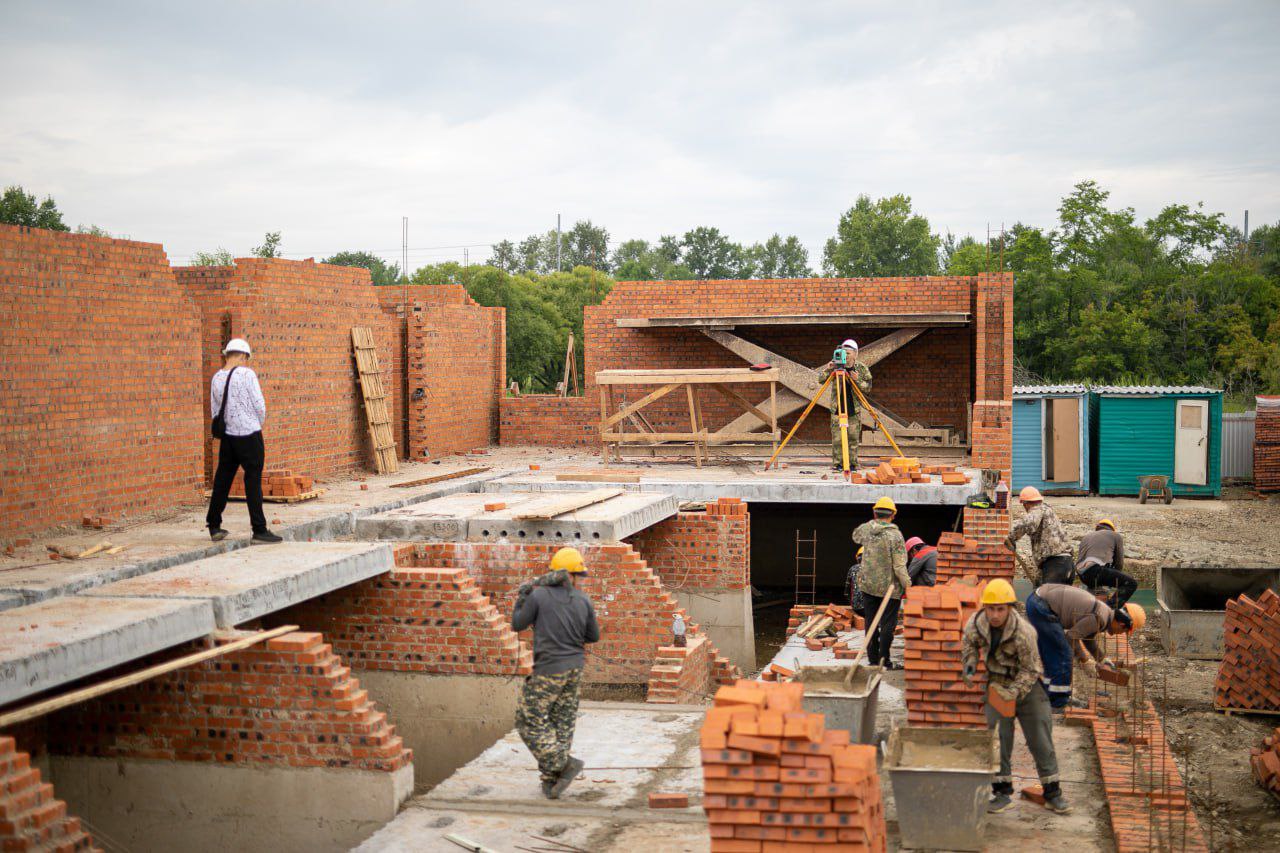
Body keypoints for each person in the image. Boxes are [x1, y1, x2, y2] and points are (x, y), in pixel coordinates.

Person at [962, 579, 1069, 815]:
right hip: (997, 685)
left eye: (1000, 609)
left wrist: (1013, 693)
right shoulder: (977, 624)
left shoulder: (1024, 632)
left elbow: (1030, 670)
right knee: (998, 738)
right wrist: (969, 664)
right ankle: (1002, 792)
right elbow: (969, 644)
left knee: (1040, 737)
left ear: (1009, 607)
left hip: (1028, 688)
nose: (995, 614)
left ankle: (1053, 793)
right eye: (991, 608)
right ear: (985, 607)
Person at [511, 547, 601, 799]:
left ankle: (562, 765)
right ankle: (551, 778)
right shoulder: (583, 600)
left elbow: (517, 623)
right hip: (574, 669)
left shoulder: (538, 596)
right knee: (561, 722)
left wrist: (522, 597)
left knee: (528, 721)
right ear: (570, 576)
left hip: (549, 669)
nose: (580, 580)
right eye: (578, 576)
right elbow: (593, 636)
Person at [206, 338, 281, 544]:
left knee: (223, 478)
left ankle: (214, 525)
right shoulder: (247, 374)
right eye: (246, 358)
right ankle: (259, 529)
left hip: (228, 436)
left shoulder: (216, 378)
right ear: (242, 356)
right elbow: (259, 404)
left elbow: (214, 409)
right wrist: (258, 423)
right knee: (253, 479)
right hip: (249, 434)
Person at [1025, 582, 1146, 710]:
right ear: (1121, 624)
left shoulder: (1104, 613)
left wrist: (1101, 658)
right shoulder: (1099, 617)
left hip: (1038, 601)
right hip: (1042, 605)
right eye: (1124, 631)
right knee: (1064, 653)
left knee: (1053, 653)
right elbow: (1071, 637)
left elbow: (1087, 637)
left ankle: (1049, 694)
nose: (1120, 633)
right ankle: (1059, 702)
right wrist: (1085, 660)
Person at [852, 497, 911, 669]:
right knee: (887, 625)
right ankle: (884, 661)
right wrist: (908, 585)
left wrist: (871, 524)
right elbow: (899, 566)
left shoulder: (868, 530)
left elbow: (855, 535)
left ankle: (872, 659)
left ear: (874, 513)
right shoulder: (895, 536)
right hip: (890, 589)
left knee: (871, 622)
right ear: (893, 514)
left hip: (869, 586)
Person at [817, 339, 872, 470]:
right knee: (837, 439)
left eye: (848, 353)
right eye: (843, 353)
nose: (845, 356)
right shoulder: (835, 366)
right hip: (838, 407)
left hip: (854, 408)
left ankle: (852, 464)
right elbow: (820, 380)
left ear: (855, 354)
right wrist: (828, 369)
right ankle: (838, 464)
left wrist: (857, 379)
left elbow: (868, 388)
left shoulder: (861, 368)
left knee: (853, 438)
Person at [1004, 486, 1073, 585]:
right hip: (1067, 564)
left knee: (1046, 599)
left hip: (1056, 565)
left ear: (1025, 503)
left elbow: (1027, 524)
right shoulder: (1047, 510)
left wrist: (1011, 537)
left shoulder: (1038, 509)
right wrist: (1039, 579)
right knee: (1057, 599)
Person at [1076, 519, 1138, 609]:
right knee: (1130, 583)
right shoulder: (1116, 536)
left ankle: (1092, 608)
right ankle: (1109, 610)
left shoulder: (1086, 537)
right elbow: (1119, 563)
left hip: (1083, 575)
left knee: (1096, 590)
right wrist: (1114, 580)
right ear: (1112, 529)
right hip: (1096, 570)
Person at [845, 546, 865, 614]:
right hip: (871, 607)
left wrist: (853, 603)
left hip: (856, 608)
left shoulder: (852, 569)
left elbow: (846, 592)